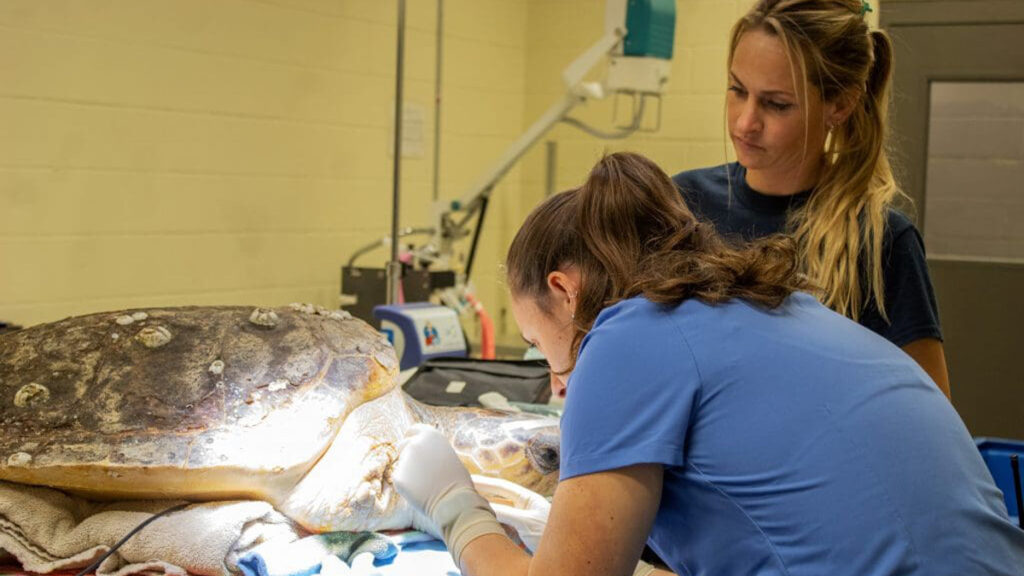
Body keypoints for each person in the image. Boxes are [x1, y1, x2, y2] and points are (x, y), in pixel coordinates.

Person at [392, 152, 1024, 576]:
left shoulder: (626, 334)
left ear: (566, 291)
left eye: (540, 345)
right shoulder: (781, 306)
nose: (557, 381)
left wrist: (456, 510)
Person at [672, 0, 951, 397]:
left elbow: (932, 413)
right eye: (737, 90)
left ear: (839, 104)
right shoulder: (682, 203)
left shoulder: (879, 240)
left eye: (776, 104)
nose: (744, 122)